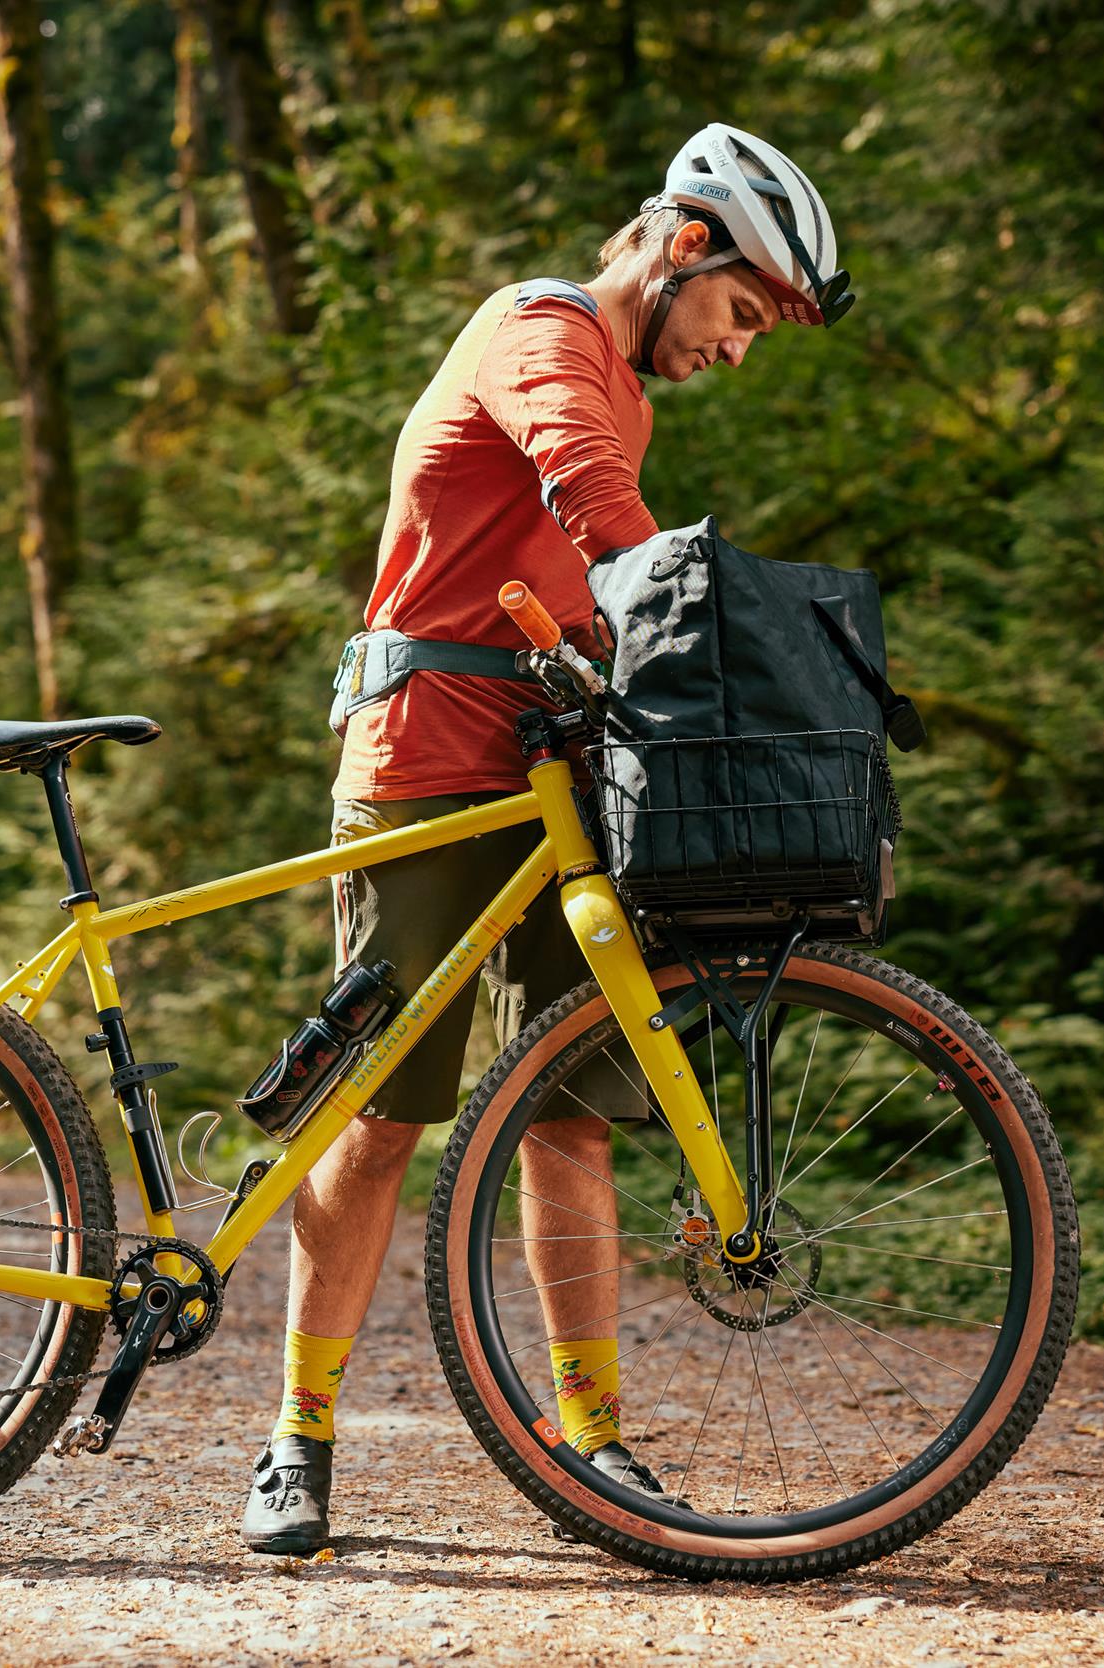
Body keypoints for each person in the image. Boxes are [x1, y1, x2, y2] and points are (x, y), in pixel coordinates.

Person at [242, 122, 857, 1553]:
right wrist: (717, 638)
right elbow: (591, 504)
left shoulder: (622, 389)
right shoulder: (542, 334)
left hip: (557, 781)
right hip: (429, 763)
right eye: (744, 316)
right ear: (686, 248)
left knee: (574, 1120)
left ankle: (590, 1447)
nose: (736, 350)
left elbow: (589, 579)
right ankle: (296, 1437)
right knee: (387, 1115)